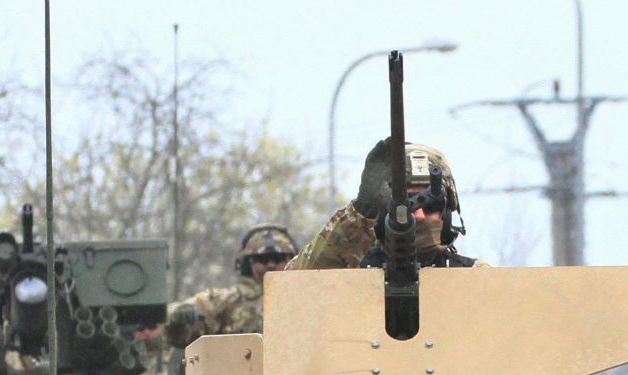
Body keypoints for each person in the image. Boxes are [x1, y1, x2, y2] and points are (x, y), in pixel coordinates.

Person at [290, 140, 480, 271]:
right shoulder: (350, 274)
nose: (420, 215)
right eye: (409, 205)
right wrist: (362, 211)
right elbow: (290, 291)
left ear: (447, 213)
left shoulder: (476, 277)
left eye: (433, 206)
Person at [152, 225, 296, 354]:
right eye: (262, 259)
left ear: (292, 260)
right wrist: (179, 315)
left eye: (278, 259)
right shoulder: (228, 300)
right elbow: (170, 315)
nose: (270, 265)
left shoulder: (302, 298)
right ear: (248, 263)